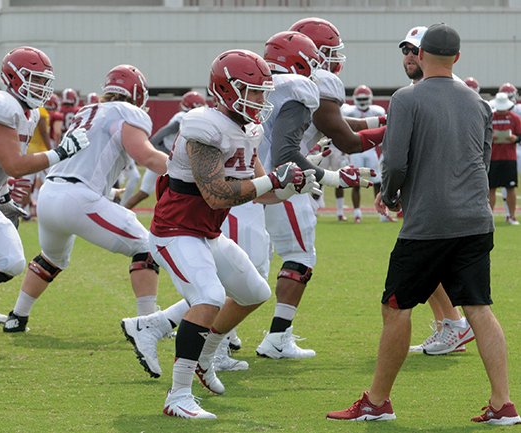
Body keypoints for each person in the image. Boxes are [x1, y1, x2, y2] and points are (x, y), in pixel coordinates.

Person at [327, 23, 521, 425]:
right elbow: (481, 163)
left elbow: (395, 162)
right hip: (475, 220)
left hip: (430, 222)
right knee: (479, 307)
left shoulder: (405, 98)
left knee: (396, 307)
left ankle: (377, 401)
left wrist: (391, 194)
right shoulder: (479, 103)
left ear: (420, 54)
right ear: (457, 58)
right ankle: (503, 403)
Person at [148, 49, 321, 419]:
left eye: (262, 92)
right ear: (225, 89)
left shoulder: (249, 130)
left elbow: (264, 191)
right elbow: (216, 194)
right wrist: (273, 179)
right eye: (253, 91)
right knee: (208, 297)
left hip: (206, 233)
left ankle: (205, 357)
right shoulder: (202, 126)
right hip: (175, 230)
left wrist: (296, 185)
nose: (260, 99)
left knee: (254, 291)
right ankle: (178, 395)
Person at [2, 64, 173, 333]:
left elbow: (87, 164)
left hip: (50, 195)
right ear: (138, 94)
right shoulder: (128, 112)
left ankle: (17, 316)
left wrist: (111, 194)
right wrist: (186, 170)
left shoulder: (88, 111)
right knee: (146, 248)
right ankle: (148, 322)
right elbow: (146, 156)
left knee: (51, 258)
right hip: (77, 199)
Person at [255, 24, 379, 360]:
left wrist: (380, 123)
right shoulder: (310, 84)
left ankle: (222, 338)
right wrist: (337, 176)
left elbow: (332, 124)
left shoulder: (272, 82)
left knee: (253, 262)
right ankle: (276, 337)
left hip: (255, 181)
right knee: (296, 258)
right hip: (284, 181)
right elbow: (344, 137)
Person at [0, 46, 89, 315]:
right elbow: (14, 165)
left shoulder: (28, 114)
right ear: (14, 77)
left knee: (10, 262)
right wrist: (60, 152)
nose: (40, 86)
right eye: (34, 78)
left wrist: (2, 194)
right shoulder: (0, 104)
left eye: (43, 80)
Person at [396, 25, 474, 356]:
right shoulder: (414, 93)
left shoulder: (446, 93)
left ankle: (455, 324)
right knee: (435, 270)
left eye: (415, 49)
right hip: (427, 196)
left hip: (443, 199)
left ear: (428, 53)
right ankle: (449, 325)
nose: (410, 56)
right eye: (405, 50)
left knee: (429, 270)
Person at [123, 91, 207, 210]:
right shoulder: (182, 117)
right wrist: (151, 147)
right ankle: (122, 211)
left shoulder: (191, 119)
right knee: (148, 192)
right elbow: (163, 133)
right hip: (165, 157)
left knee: (152, 192)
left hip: (170, 158)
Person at [342, 85, 391, 223]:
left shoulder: (377, 110)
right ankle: (357, 214)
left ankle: (382, 214)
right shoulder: (348, 111)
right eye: (360, 98)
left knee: (377, 182)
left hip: (371, 150)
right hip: (356, 149)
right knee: (356, 182)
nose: (362, 101)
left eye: (365, 98)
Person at [487, 92, 521, 225]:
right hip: (493, 157)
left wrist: (515, 139)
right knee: (491, 188)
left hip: (509, 157)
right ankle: (489, 217)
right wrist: (491, 137)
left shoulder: (514, 118)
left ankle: (511, 216)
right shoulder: (490, 117)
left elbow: (520, 135)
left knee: (510, 188)